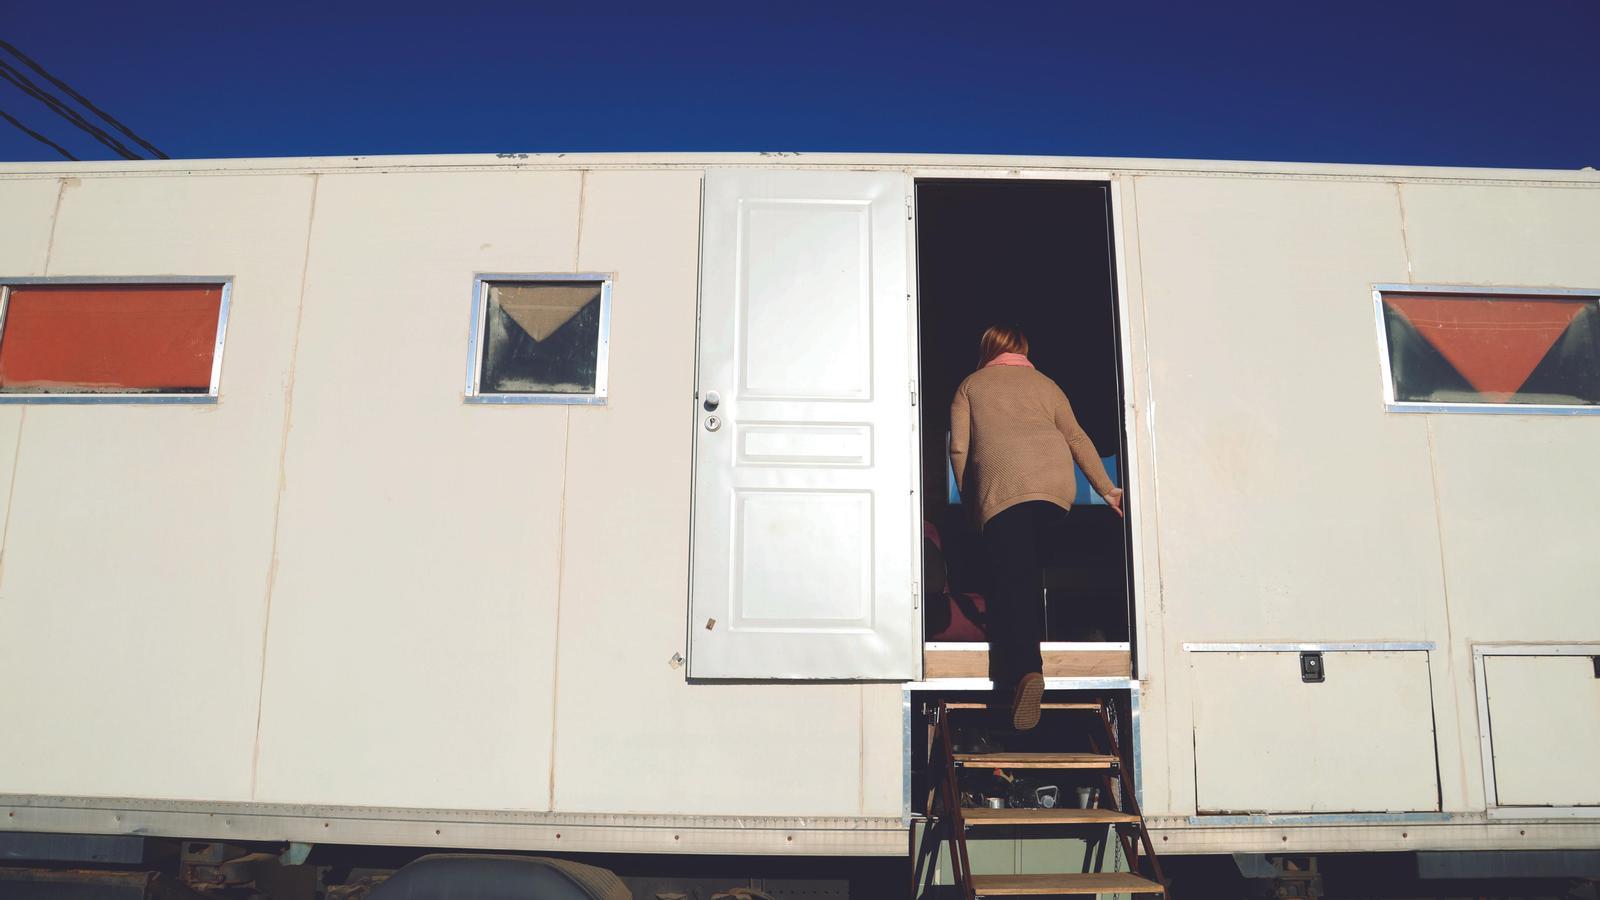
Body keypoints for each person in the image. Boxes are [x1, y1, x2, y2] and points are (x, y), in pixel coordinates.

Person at [949, 325, 1123, 731]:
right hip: (1056, 491)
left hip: (1005, 488)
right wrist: (1107, 490)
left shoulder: (971, 385)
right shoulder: (1047, 384)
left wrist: (972, 503)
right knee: (1026, 573)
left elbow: (959, 448)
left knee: (1013, 579)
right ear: (1023, 350)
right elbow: (1077, 437)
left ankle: (1027, 670)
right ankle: (1050, 648)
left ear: (987, 348)